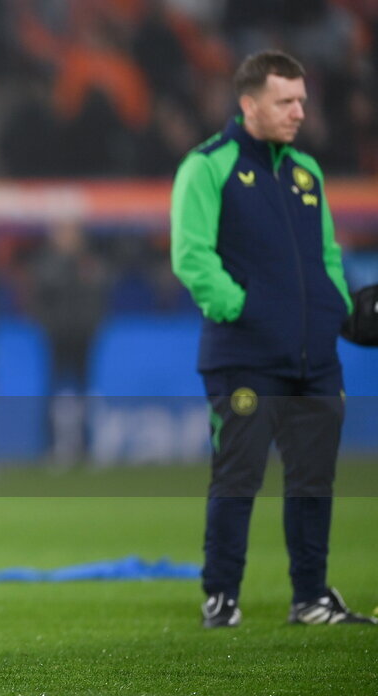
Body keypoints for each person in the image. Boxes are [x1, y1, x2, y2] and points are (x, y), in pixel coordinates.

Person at [171, 50, 376, 628]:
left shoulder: (307, 172)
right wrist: (247, 309)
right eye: (286, 101)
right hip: (244, 357)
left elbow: (328, 256)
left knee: (314, 481)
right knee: (238, 477)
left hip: (315, 359)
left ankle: (310, 596)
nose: (298, 111)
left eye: (302, 101)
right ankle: (222, 597)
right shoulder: (208, 165)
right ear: (249, 103)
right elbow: (191, 258)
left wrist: (337, 309)